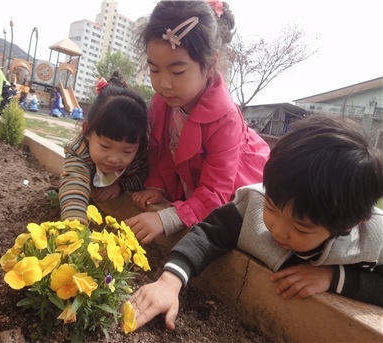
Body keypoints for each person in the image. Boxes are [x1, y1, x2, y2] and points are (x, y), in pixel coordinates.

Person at [130, 116, 383, 331]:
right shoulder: (253, 204)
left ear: (349, 224)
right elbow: (208, 235)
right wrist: (169, 282)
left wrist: (332, 276)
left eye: (300, 227)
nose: (278, 230)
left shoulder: (371, 240)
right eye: (271, 208)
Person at [125, 1, 270, 244]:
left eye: (178, 71)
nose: (164, 84)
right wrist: (158, 186)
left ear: (211, 65)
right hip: (194, 188)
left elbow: (216, 192)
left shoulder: (225, 118)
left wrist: (166, 218)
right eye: (154, 70)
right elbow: (161, 151)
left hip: (230, 189)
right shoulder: (163, 102)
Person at [58, 76, 149, 225]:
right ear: (87, 131)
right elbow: (74, 186)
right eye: (105, 147)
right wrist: (75, 226)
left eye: (126, 151)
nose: (114, 158)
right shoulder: (79, 153)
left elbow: (144, 176)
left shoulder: (139, 156)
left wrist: (120, 186)